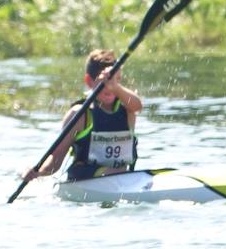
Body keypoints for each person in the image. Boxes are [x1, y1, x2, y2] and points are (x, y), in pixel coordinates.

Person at [21, 49, 144, 183]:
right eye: (103, 81)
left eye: (116, 80)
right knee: (118, 171)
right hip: (83, 178)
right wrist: (37, 172)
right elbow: (55, 160)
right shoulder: (79, 114)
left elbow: (138, 106)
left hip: (122, 178)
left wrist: (115, 86)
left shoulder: (127, 107)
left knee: (120, 171)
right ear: (89, 81)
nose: (109, 87)